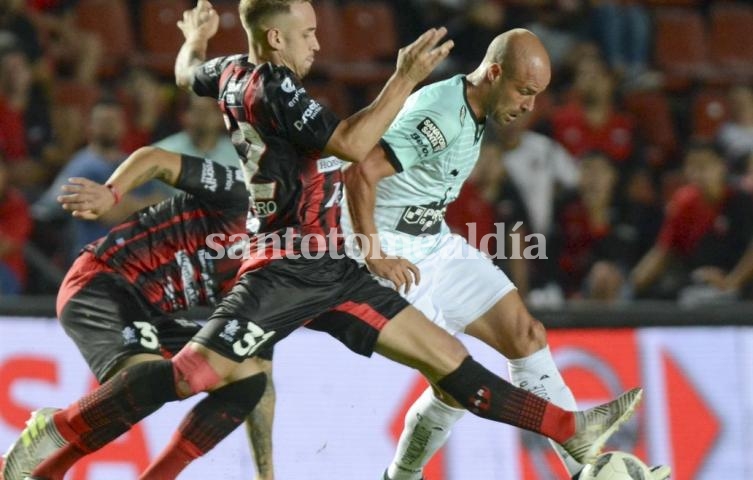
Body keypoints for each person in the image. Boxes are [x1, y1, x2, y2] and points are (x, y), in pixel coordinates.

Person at [1, 2, 641, 479]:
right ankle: (53, 437)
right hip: (284, 261)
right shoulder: (275, 88)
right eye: (307, 33)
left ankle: (571, 429)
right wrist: (402, 78)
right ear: (276, 38)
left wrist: (195, 38)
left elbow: (185, 73)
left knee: (447, 360)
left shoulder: (226, 71)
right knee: (187, 377)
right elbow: (354, 149)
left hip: (331, 261)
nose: (317, 43)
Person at [341, 28, 665, 480]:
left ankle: (584, 470)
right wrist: (373, 252)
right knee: (455, 379)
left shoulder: (472, 109)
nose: (530, 106)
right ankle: (402, 476)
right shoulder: (443, 117)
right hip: (384, 246)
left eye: (538, 95)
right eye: (525, 91)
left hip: (431, 241)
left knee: (525, 333)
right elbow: (359, 172)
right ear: (494, 73)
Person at [630, 142, 753, 302]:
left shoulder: (743, 200)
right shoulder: (684, 203)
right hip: (700, 283)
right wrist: (633, 284)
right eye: (692, 166)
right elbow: (664, 249)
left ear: (722, 166)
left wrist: (731, 282)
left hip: (741, 284)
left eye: (704, 165)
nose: (697, 173)